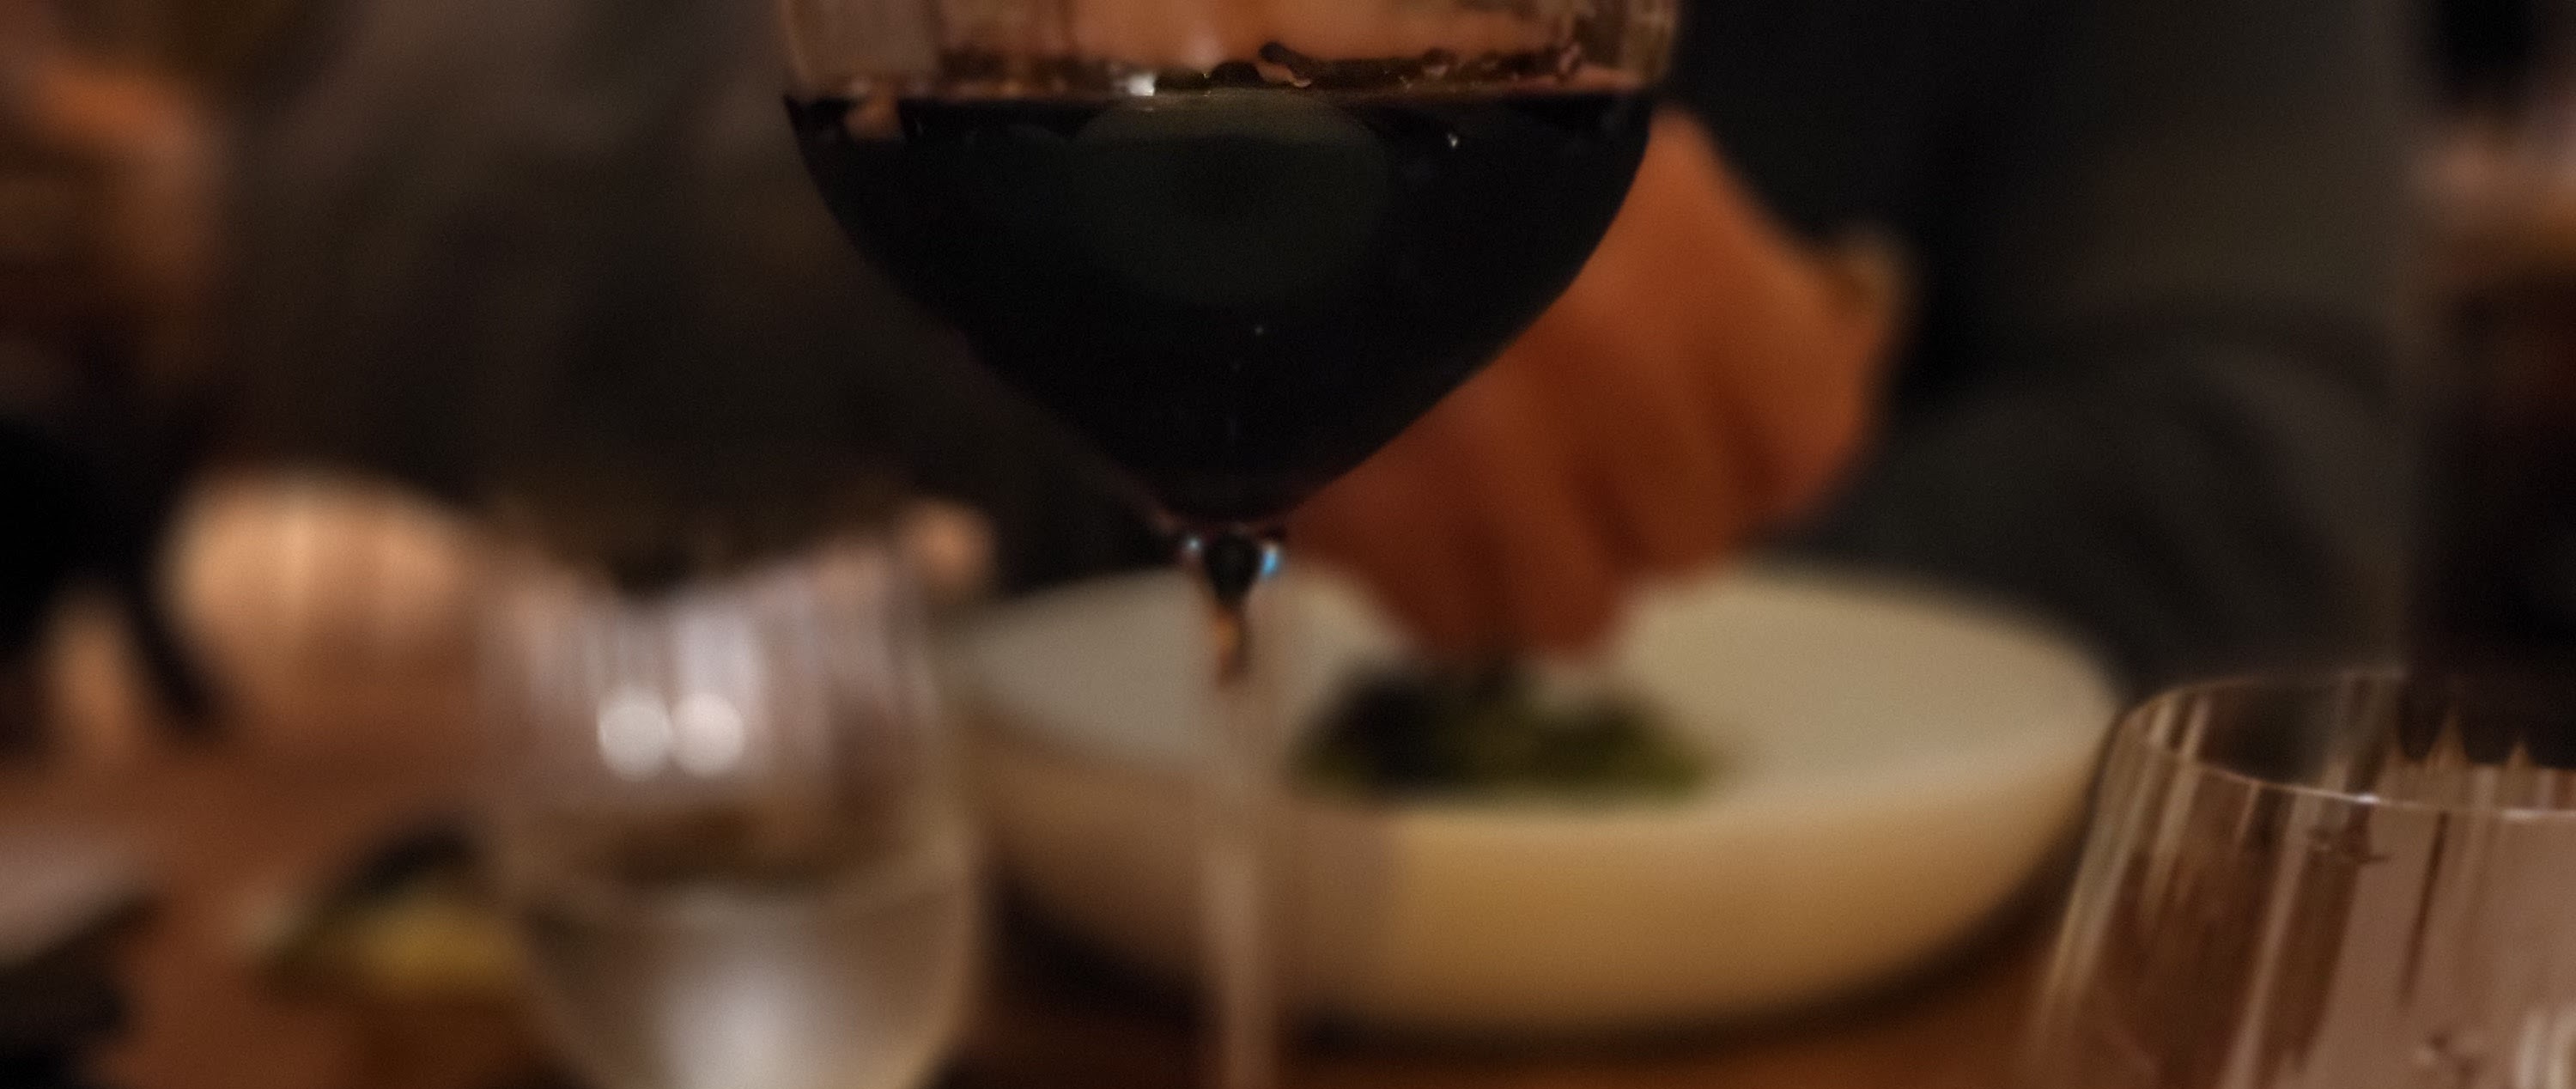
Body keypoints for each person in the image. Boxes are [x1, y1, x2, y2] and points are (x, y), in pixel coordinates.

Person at [220, 0, 2409, 691]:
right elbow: (322, 204)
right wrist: (1001, 62)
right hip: (1037, 996)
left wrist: (1534, 619)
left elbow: (2265, 497)